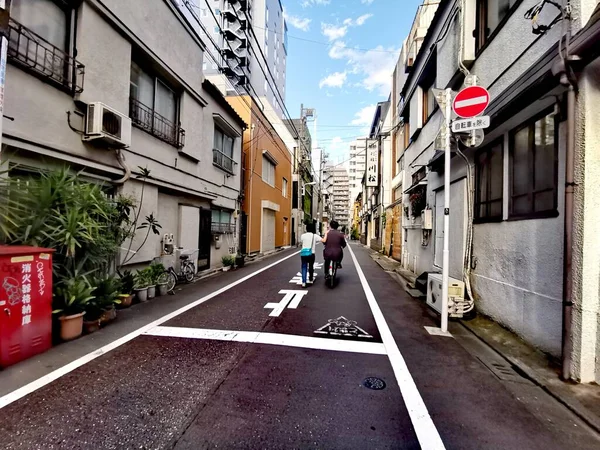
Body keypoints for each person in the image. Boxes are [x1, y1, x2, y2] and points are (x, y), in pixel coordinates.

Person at [299, 222, 320, 288]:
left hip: (303, 254)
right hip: (311, 253)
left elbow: (301, 242)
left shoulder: (303, 235)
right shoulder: (315, 236)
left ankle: (303, 282)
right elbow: (323, 240)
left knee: (304, 267)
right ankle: (311, 279)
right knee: (311, 266)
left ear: (306, 228)